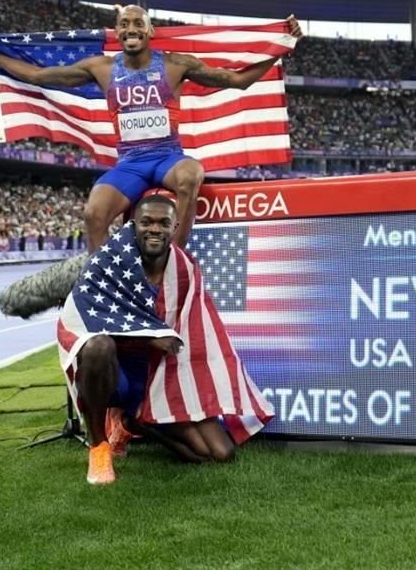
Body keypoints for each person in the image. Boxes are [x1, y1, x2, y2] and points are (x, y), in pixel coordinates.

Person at [0, 5, 304, 252]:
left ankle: (177, 255)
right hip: (130, 165)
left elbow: (237, 80)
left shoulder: (175, 64)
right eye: (124, 23)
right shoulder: (100, 68)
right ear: (117, 31)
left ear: (150, 31)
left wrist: (280, 46)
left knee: (191, 175)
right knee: (93, 213)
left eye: (138, 23)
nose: (131, 28)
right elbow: (38, 76)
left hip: (167, 158)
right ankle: (102, 280)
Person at [57, 193, 274, 484]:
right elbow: (78, 319)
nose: (154, 229)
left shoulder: (185, 270)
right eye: (146, 222)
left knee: (220, 453)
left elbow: (198, 330)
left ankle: (135, 423)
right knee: (97, 347)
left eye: (163, 223)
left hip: (160, 375)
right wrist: (148, 337)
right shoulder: (108, 262)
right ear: (134, 225)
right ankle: (99, 447)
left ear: (176, 227)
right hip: (116, 373)